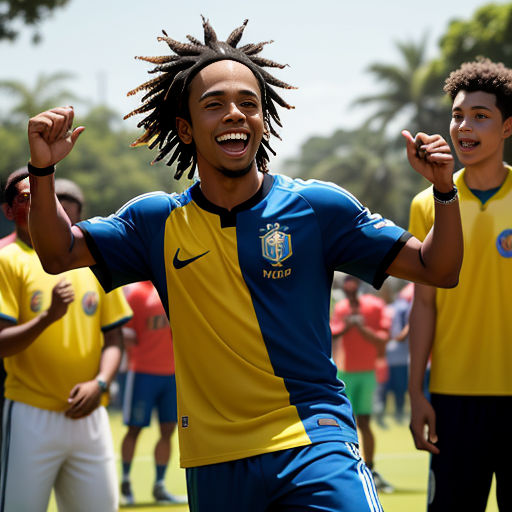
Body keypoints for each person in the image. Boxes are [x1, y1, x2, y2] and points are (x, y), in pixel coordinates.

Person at [26, 18, 462, 512]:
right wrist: (42, 170)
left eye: (248, 104)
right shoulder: (155, 221)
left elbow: (438, 269)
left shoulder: (318, 208)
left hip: (313, 439)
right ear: (185, 129)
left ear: (264, 118)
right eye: (214, 105)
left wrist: (445, 192)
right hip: (215, 457)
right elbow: (57, 252)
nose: (235, 114)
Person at [408, 58, 512, 512]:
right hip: (452, 400)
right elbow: (424, 305)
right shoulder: (428, 203)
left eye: (480, 116)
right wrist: (416, 392)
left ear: (508, 127)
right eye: (457, 115)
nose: (463, 126)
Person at [0, 171, 133, 512]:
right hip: (31, 414)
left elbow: (114, 339)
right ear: (8, 211)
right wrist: (47, 317)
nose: (35, 205)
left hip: (91, 414)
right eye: (25, 198)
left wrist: (101, 383)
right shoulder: (6, 259)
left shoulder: (87, 260)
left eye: (41, 197)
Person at [120, 281, 186, 505]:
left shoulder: (174, 287)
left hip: (171, 375)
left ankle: (160, 486)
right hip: (143, 374)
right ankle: (126, 483)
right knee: (134, 429)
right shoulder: (137, 292)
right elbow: (124, 331)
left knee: (168, 430)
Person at [330, 275, 393, 493]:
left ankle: (371, 468)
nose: (348, 291)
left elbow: (384, 338)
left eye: (352, 286)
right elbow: (332, 332)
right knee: (345, 423)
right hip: (344, 372)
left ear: (359, 287)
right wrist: (347, 326)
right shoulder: (340, 308)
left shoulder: (375, 306)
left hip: (367, 371)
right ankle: (348, 468)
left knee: (364, 422)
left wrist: (362, 328)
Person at [376, 281, 413, 425]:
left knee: (397, 388)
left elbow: (402, 332)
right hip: (389, 356)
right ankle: (385, 416)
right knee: (386, 387)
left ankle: (397, 415)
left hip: (398, 356)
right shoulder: (387, 308)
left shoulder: (400, 307)